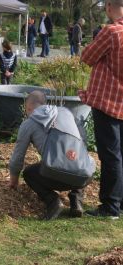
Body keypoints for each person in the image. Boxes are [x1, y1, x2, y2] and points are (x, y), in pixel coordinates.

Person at [9, 91, 94, 220]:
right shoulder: (67, 113)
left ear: (28, 108)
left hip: (54, 174)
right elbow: (83, 144)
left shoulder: (29, 123)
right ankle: (77, 199)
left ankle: (53, 201)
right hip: (82, 176)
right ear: (45, 103)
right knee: (84, 161)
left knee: (29, 173)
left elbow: (18, 157)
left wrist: (14, 182)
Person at [79, 0, 123, 219]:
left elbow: (86, 57)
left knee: (110, 155)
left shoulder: (112, 32)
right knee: (120, 154)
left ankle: (110, 207)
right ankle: (120, 203)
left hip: (108, 101)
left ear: (108, 7)